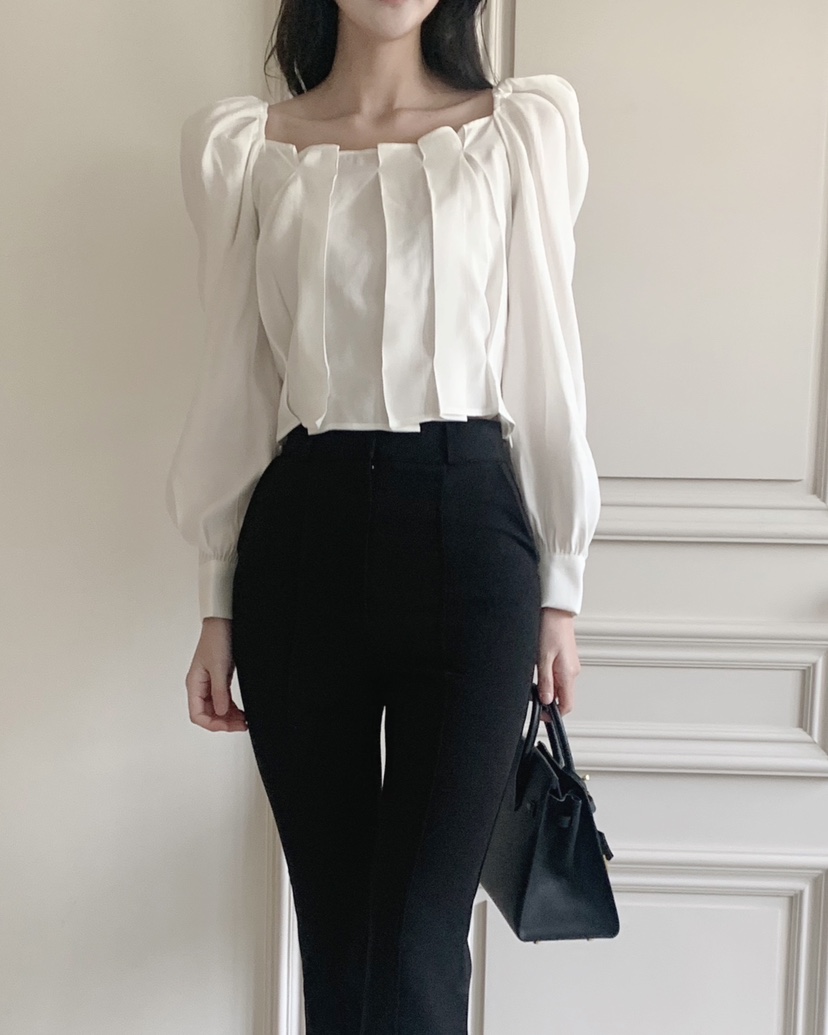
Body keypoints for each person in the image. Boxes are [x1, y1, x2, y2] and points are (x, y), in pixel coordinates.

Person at [165, 0, 600, 1031]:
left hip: (470, 535)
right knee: (338, 936)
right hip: (300, 542)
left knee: (414, 937)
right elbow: (235, 378)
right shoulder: (248, 149)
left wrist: (562, 586)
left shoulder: (515, 132)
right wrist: (216, 599)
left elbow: (548, 363)